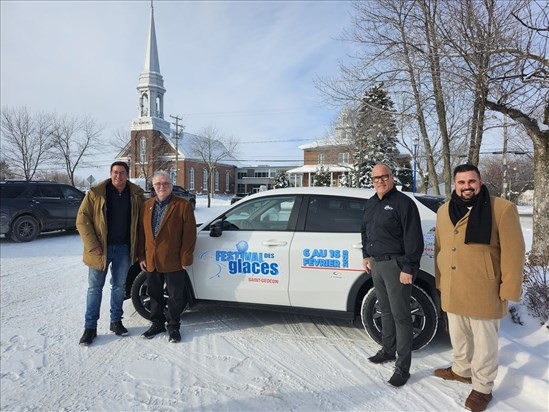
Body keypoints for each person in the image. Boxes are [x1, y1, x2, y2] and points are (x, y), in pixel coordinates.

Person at [434, 164, 524, 412]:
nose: (467, 187)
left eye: (471, 181)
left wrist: (509, 288)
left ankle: (483, 387)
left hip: (485, 287)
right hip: (453, 286)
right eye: (461, 182)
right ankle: (462, 370)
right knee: (459, 335)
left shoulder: (502, 209)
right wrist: (440, 279)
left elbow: (514, 254)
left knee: (485, 343)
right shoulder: (444, 211)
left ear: (480, 181)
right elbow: (440, 248)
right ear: (454, 184)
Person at [361, 163, 424, 387]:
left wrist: (409, 268)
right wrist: (366, 254)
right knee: (385, 310)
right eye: (376, 178)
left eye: (384, 176)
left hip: (397, 266)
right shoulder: (370, 204)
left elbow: (414, 238)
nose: (379, 181)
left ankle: (403, 368)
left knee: (401, 316)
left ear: (392, 177)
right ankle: (388, 351)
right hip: (376, 265)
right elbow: (365, 230)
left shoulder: (403, 203)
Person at [77, 161, 145, 346]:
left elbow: (142, 221)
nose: (118, 176)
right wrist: (92, 245)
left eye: (122, 173)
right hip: (100, 249)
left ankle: (116, 322)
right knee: (95, 288)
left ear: (127, 175)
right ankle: (90, 328)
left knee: (118, 287)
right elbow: (82, 220)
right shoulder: (95, 194)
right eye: (115, 172)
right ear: (110, 173)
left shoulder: (136, 195)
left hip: (124, 248)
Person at [138, 170, 197, 343]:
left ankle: (173, 327)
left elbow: (189, 234)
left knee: (175, 296)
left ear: (171, 186)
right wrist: (141, 255)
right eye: (158, 184)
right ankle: (157, 324)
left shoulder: (182, 205)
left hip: (174, 260)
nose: (162, 187)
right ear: (153, 187)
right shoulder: (146, 205)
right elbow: (141, 233)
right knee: (154, 294)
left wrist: (186, 258)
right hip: (151, 260)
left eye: (165, 184)